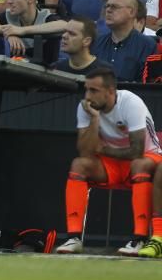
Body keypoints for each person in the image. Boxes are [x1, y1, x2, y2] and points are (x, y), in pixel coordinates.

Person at [56, 68, 162, 256]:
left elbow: (137, 151)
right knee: (79, 164)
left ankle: (139, 238)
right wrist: (94, 119)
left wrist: (103, 149)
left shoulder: (131, 103)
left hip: (147, 158)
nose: (88, 96)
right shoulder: (86, 108)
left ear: (111, 92)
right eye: (87, 89)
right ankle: (74, 237)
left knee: (140, 164)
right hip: (112, 165)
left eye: (94, 91)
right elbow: (85, 151)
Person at [93, 0, 156, 82]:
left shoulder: (147, 45)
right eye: (107, 6)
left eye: (114, 7)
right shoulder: (97, 42)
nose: (108, 10)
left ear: (131, 12)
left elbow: (147, 85)